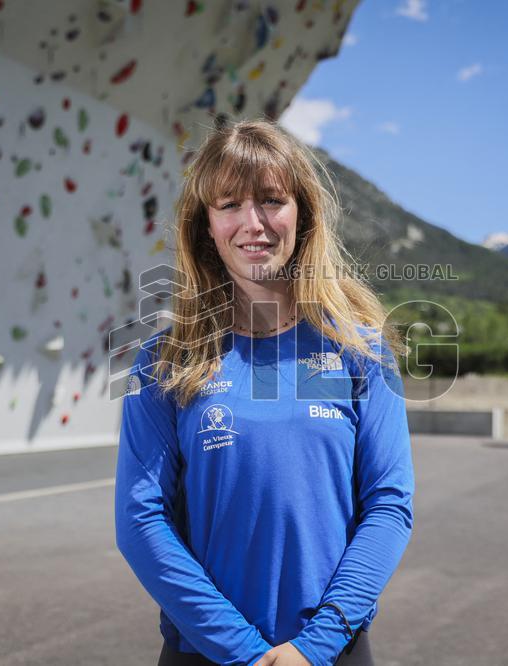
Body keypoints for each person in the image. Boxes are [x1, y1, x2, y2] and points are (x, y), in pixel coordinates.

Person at [115, 118, 415, 666]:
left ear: (302, 214)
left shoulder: (360, 351)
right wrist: (244, 652)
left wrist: (314, 646)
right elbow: (140, 519)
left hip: (331, 650)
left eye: (271, 200)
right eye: (228, 204)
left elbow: (389, 505)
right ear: (206, 225)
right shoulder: (163, 361)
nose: (252, 223)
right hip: (205, 652)